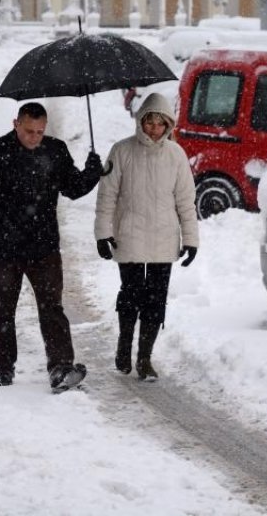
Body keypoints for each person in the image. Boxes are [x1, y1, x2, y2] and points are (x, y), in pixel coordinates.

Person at [0, 102, 103, 390]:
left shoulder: (54, 150)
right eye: (28, 131)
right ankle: (3, 367)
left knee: (52, 308)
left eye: (40, 132)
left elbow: (73, 188)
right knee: (3, 309)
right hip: (5, 250)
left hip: (44, 247)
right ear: (16, 123)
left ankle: (61, 367)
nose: (34, 137)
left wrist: (92, 171)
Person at [94, 93, 199, 382]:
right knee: (130, 296)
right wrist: (104, 234)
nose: (154, 129)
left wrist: (191, 239)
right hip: (129, 236)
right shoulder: (121, 151)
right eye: (149, 123)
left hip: (164, 240)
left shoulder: (176, 155)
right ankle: (124, 344)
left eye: (160, 124)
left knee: (155, 301)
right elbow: (107, 197)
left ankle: (144, 358)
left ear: (168, 125)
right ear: (141, 122)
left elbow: (185, 200)